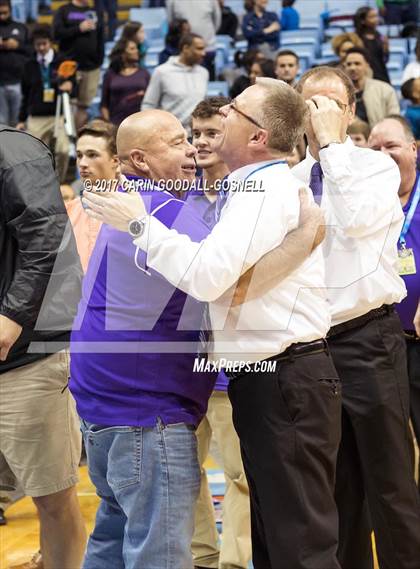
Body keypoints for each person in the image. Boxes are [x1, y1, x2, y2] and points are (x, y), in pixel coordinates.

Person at [83, 78, 343, 569]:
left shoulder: (252, 190)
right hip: (155, 404)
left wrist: (306, 236)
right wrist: (305, 237)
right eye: (179, 139)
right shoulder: (173, 205)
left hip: (277, 377)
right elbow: (220, 285)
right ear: (140, 159)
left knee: (294, 539)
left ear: (258, 135)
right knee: (276, 536)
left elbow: (210, 279)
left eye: (235, 111)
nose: (218, 117)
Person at [219, 65, 420, 569]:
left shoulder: (373, 167)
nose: (321, 113)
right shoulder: (281, 177)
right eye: (312, 104)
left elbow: (356, 220)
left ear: (349, 111)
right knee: (330, 494)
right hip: (310, 349)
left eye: (332, 104)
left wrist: (331, 148)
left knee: (390, 483)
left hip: (369, 338)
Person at [0, 126, 85, 569]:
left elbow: (46, 239)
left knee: (52, 497)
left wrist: (12, 315)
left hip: (25, 360)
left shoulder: (12, 150)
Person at [189, 96, 252, 569]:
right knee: (183, 477)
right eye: (196, 133)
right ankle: (201, 560)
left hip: (233, 365)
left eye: (213, 132)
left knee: (241, 476)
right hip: (179, 367)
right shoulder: (173, 199)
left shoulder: (250, 196)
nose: (202, 142)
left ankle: (234, 563)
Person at [368, 115, 420, 486]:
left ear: (414, 149)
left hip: (418, 343)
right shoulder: (365, 204)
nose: (384, 155)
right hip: (378, 346)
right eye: (375, 149)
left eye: (392, 146)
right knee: (389, 447)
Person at [16, 24, 74, 182]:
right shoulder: (28, 66)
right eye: (37, 45)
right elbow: (25, 94)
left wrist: (70, 86)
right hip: (37, 117)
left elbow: (73, 86)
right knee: (34, 155)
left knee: (62, 150)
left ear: (51, 42)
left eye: (44, 44)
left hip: (59, 114)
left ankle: (59, 183)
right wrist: (21, 119)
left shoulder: (62, 61)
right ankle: (40, 185)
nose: (41, 48)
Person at [69, 119, 119, 272]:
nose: (82, 163)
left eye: (92, 155)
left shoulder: (136, 209)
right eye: (79, 155)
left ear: (115, 160)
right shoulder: (67, 211)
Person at [53, 0, 104, 130]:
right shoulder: (64, 10)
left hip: (91, 67)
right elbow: (56, 34)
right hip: (68, 66)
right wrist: (78, 29)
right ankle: (66, 138)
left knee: (84, 105)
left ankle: (76, 140)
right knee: (67, 103)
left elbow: (101, 36)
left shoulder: (96, 11)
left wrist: (99, 60)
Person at [142, 33, 208, 131]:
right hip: (170, 136)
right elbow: (148, 105)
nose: (203, 53)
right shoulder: (162, 72)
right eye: (199, 48)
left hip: (196, 135)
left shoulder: (203, 73)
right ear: (185, 48)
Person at [343, 47, 400, 127]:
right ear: (344, 67)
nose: (352, 68)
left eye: (357, 63)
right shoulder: (339, 92)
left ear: (367, 65)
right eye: (349, 64)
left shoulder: (385, 90)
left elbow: (395, 120)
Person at [100, 38, 150, 126]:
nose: (137, 51)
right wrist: (109, 126)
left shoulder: (144, 73)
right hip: (117, 124)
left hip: (141, 124)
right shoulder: (110, 74)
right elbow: (104, 104)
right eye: (132, 48)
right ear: (122, 53)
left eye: (136, 48)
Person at [166, 0, 221, 80]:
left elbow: (217, 20)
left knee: (208, 81)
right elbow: (172, 22)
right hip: (183, 50)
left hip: (207, 47)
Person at [0, 0, 29, 127]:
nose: (2, 16)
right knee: (2, 124)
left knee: (18, 122)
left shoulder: (21, 27)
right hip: (0, 83)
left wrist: (17, 45)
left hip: (18, 81)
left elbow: (31, 50)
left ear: (10, 10)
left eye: (4, 13)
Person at [354, 6, 390, 83]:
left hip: (382, 75)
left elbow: (385, 60)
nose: (376, 19)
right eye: (372, 17)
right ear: (362, 20)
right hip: (365, 76)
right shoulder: (356, 38)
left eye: (376, 16)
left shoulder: (380, 37)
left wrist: (386, 48)